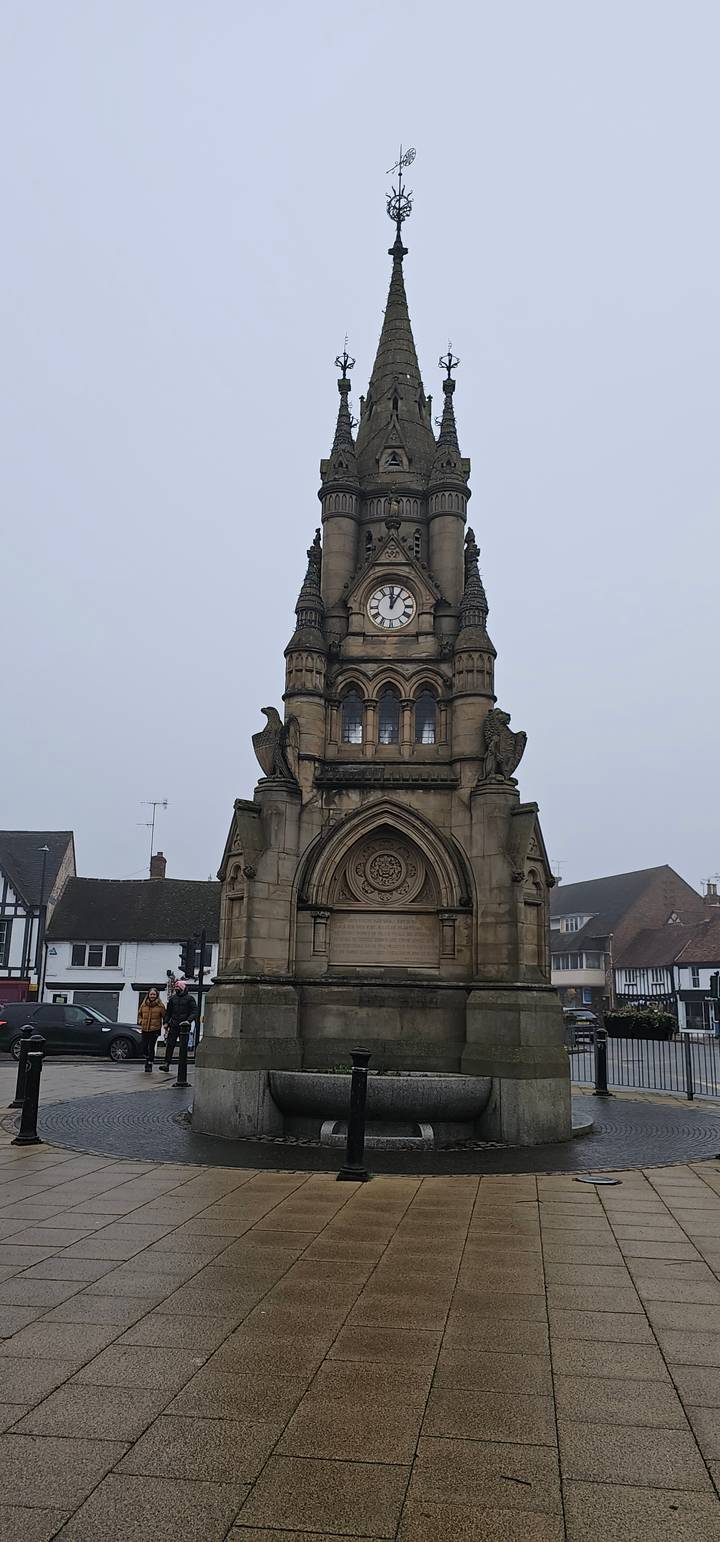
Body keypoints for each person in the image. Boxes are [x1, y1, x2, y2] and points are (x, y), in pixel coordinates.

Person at [159, 979, 197, 1072]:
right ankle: (166, 1063)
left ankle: (182, 1064)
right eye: (176, 987)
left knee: (183, 1046)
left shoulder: (190, 998)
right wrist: (166, 1022)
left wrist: (188, 1021)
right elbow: (168, 1012)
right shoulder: (173, 999)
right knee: (170, 1044)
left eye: (178, 987)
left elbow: (194, 1011)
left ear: (182, 988)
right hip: (174, 1024)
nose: (176, 989)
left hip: (184, 1026)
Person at [137, 987, 164, 1072]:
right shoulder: (144, 1004)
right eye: (151, 994)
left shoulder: (160, 1006)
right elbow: (139, 1014)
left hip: (155, 1029)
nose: (152, 996)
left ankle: (149, 1063)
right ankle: (147, 1058)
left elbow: (165, 1016)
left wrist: (166, 1024)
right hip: (145, 1028)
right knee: (144, 1046)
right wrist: (140, 1021)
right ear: (148, 995)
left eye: (154, 994)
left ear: (157, 995)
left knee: (151, 1047)